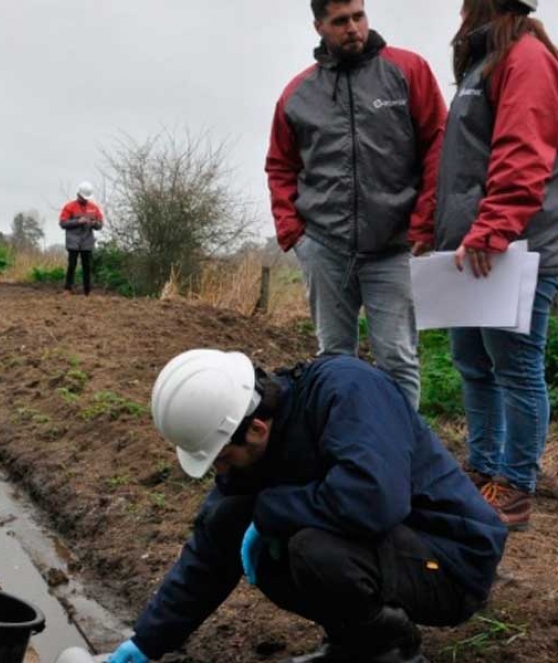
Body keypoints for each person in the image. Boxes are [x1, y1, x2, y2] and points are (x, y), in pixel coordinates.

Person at [108, 350, 507, 663]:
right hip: (390, 552)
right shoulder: (257, 442)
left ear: (257, 429)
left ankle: (393, 655)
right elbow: (211, 550)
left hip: (452, 560)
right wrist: (147, 641)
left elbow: (373, 500)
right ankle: (351, 647)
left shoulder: (347, 391)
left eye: (223, 458)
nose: (221, 471)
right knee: (232, 521)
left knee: (311, 548)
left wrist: (268, 514)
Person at [265, 0, 447, 410]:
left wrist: (424, 221)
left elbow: (439, 142)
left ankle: (402, 456)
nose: (353, 28)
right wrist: (293, 233)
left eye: (358, 17)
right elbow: (280, 165)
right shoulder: (297, 95)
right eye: (340, 21)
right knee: (334, 359)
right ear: (319, 26)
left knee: (398, 359)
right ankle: (345, 448)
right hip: (325, 247)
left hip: (393, 247)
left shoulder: (408, 71)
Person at [418, 0, 558, 530]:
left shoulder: (525, 58)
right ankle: (483, 473)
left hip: (516, 248)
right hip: (474, 246)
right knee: (474, 364)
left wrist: (494, 227)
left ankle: (516, 489)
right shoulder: (484, 63)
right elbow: (461, 163)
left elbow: (524, 152)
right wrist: (430, 227)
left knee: (517, 370)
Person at [59, 181, 104, 296]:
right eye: (83, 197)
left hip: (87, 242)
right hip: (73, 241)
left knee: (87, 267)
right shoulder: (69, 207)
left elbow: (100, 224)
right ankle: (68, 289)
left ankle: (88, 291)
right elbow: (63, 223)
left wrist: (94, 223)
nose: (84, 200)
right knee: (72, 265)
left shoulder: (94, 208)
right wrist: (77, 222)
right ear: (78, 194)